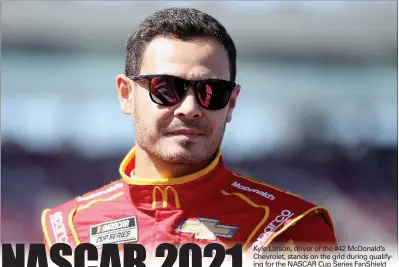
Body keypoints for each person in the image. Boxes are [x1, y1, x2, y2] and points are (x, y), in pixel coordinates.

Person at [41, 7, 336, 252]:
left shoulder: (292, 228)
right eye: (167, 88)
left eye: (212, 92)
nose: (190, 107)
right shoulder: (66, 231)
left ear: (231, 103)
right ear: (126, 95)